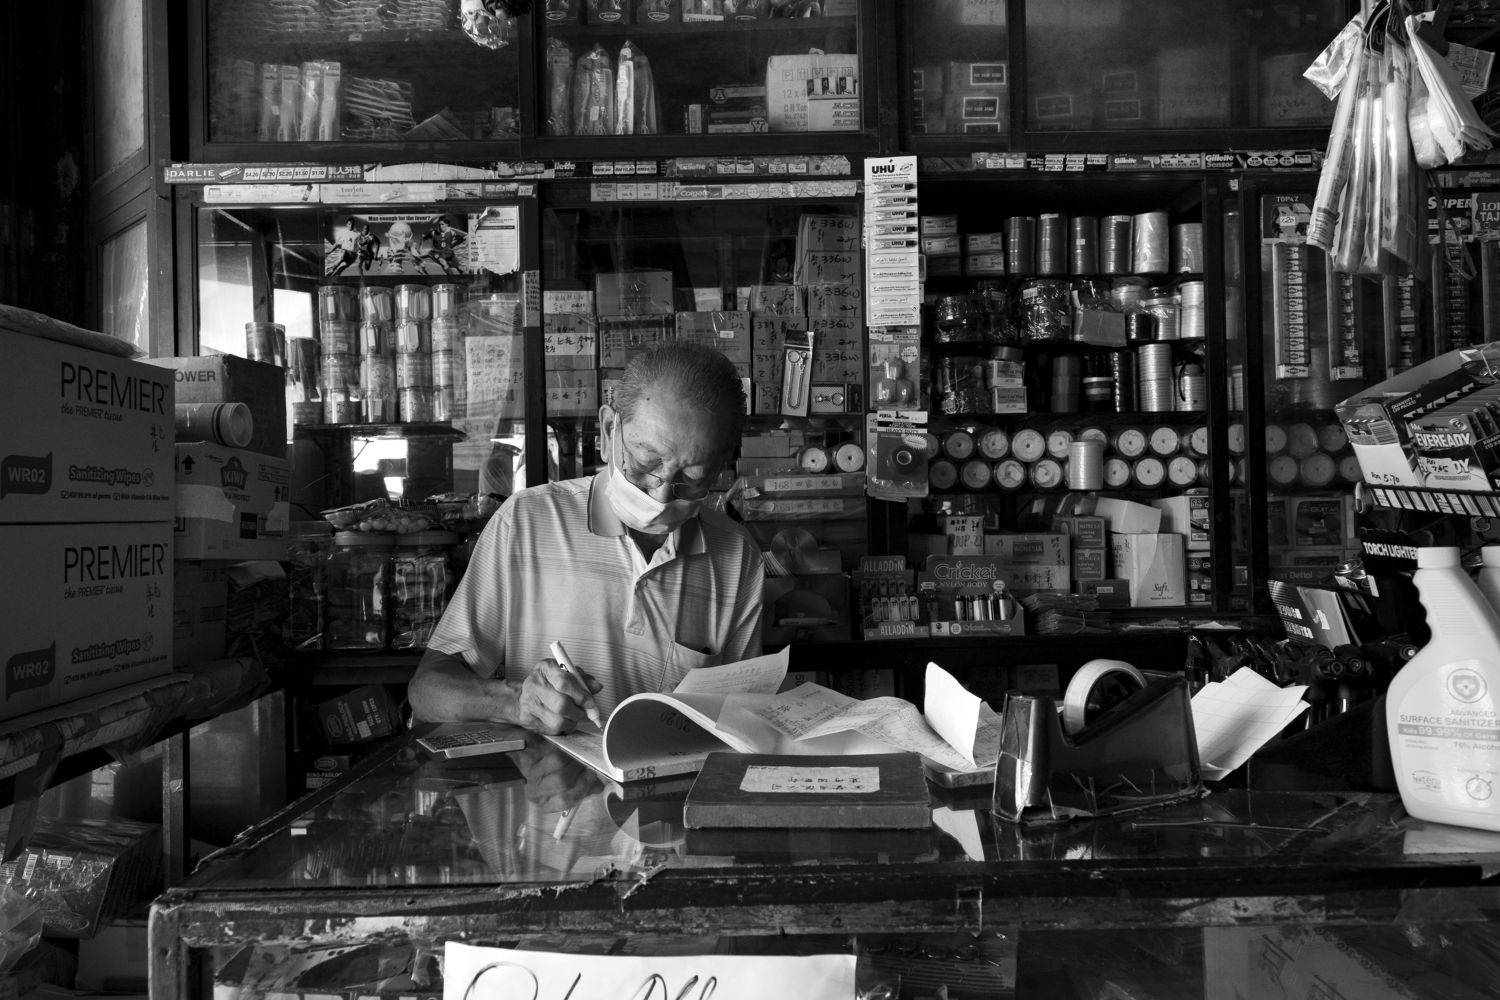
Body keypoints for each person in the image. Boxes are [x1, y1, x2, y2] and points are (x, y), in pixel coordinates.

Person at [409, 341, 763, 735]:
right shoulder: (526, 522)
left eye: (693, 479)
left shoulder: (736, 556)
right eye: (644, 463)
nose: (661, 495)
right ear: (609, 430)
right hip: (551, 775)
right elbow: (426, 690)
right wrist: (515, 702)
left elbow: (744, 715)